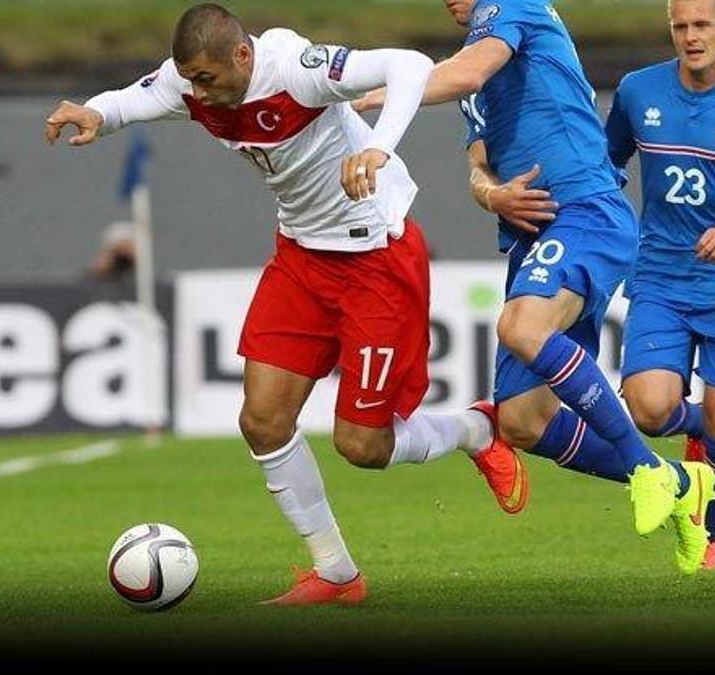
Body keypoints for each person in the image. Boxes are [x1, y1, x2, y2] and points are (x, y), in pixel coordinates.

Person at [44, 3, 523, 607]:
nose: (198, 94)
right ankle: (336, 575)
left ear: (242, 55)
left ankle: (476, 428)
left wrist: (378, 148)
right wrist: (94, 113)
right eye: (190, 81)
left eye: (207, 79)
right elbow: (132, 100)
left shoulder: (296, 68)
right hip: (301, 260)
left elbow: (406, 65)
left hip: (375, 260)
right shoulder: (190, 82)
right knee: (262, 421)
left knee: (363, 447)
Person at [355, 0, 715, 575]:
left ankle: (646, 468)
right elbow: (479, 167)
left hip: (586, 212)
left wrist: (374, 97)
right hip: (537, 237)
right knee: (522, 421)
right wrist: (491, 194)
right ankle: (681, 480)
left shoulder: (510, 10)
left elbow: (466, 73)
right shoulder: (476, 58)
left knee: (521, 327)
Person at [605, 0, 715, 571]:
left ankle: (713, 540)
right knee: (649, 409)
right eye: (680, 26)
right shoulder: (638, 90)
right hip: (661, 274)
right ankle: (697, 466)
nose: (690, 36)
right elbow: (606, 165)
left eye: (702, 24)